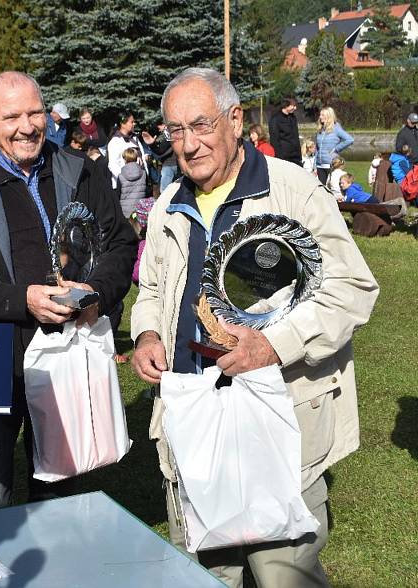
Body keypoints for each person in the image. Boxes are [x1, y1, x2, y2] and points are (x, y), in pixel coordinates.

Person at [130, 67, 378, 587]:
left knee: (285, 577)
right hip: (193, 432)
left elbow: (353, 288)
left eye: (201, 125)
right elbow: (151, 288)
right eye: (176, 130)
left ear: (235, 120)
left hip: (277, 430)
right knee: (204, 578)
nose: (190, 144)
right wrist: (148, 334)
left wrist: (273, 345)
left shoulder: (292, 190)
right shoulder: (168, 206)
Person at [0, 70, 136, 513]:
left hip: (65, 353)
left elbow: (121, 243)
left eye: (35, 112)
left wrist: (94, 292)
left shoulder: (82, 171)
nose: (27, 126)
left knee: (59, 485)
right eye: (11, 116)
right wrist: (21, 301)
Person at [107, 113, 151, 189]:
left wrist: (146, 174)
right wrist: (125, 179)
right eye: (131, 122)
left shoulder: (135, 138)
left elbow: (142, 158)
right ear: (123, 124)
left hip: (140, 183)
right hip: (126, 186)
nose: (134, 124)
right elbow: (113, 165)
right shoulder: (115, 141)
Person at [315, 106, 353, 185]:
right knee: (320, 189)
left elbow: (350, 139)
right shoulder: (320, 129)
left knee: (332, 188)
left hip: (330, 164)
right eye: (320, 115)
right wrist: (315, 163)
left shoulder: (336, 128)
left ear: (328, 117)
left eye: (322, 115)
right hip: (319, 165)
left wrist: (336, 149)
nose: (320, 117)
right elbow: (317, 148)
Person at [268, 98, 301, 166]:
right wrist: (279, 157)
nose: (295, 108)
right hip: (284, 156)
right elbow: (274, 139)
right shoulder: (275, 119)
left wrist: (299, 154)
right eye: (293, 106)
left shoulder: (293, 118)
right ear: (286, 106)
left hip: (295, 156)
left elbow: (296, 136)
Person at [118, 148, 147, 218]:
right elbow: (147, 189)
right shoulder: (143, 173)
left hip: (126, 211)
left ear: (125, 159)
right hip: (140, 208)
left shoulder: (120, 176)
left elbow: (118, 193)